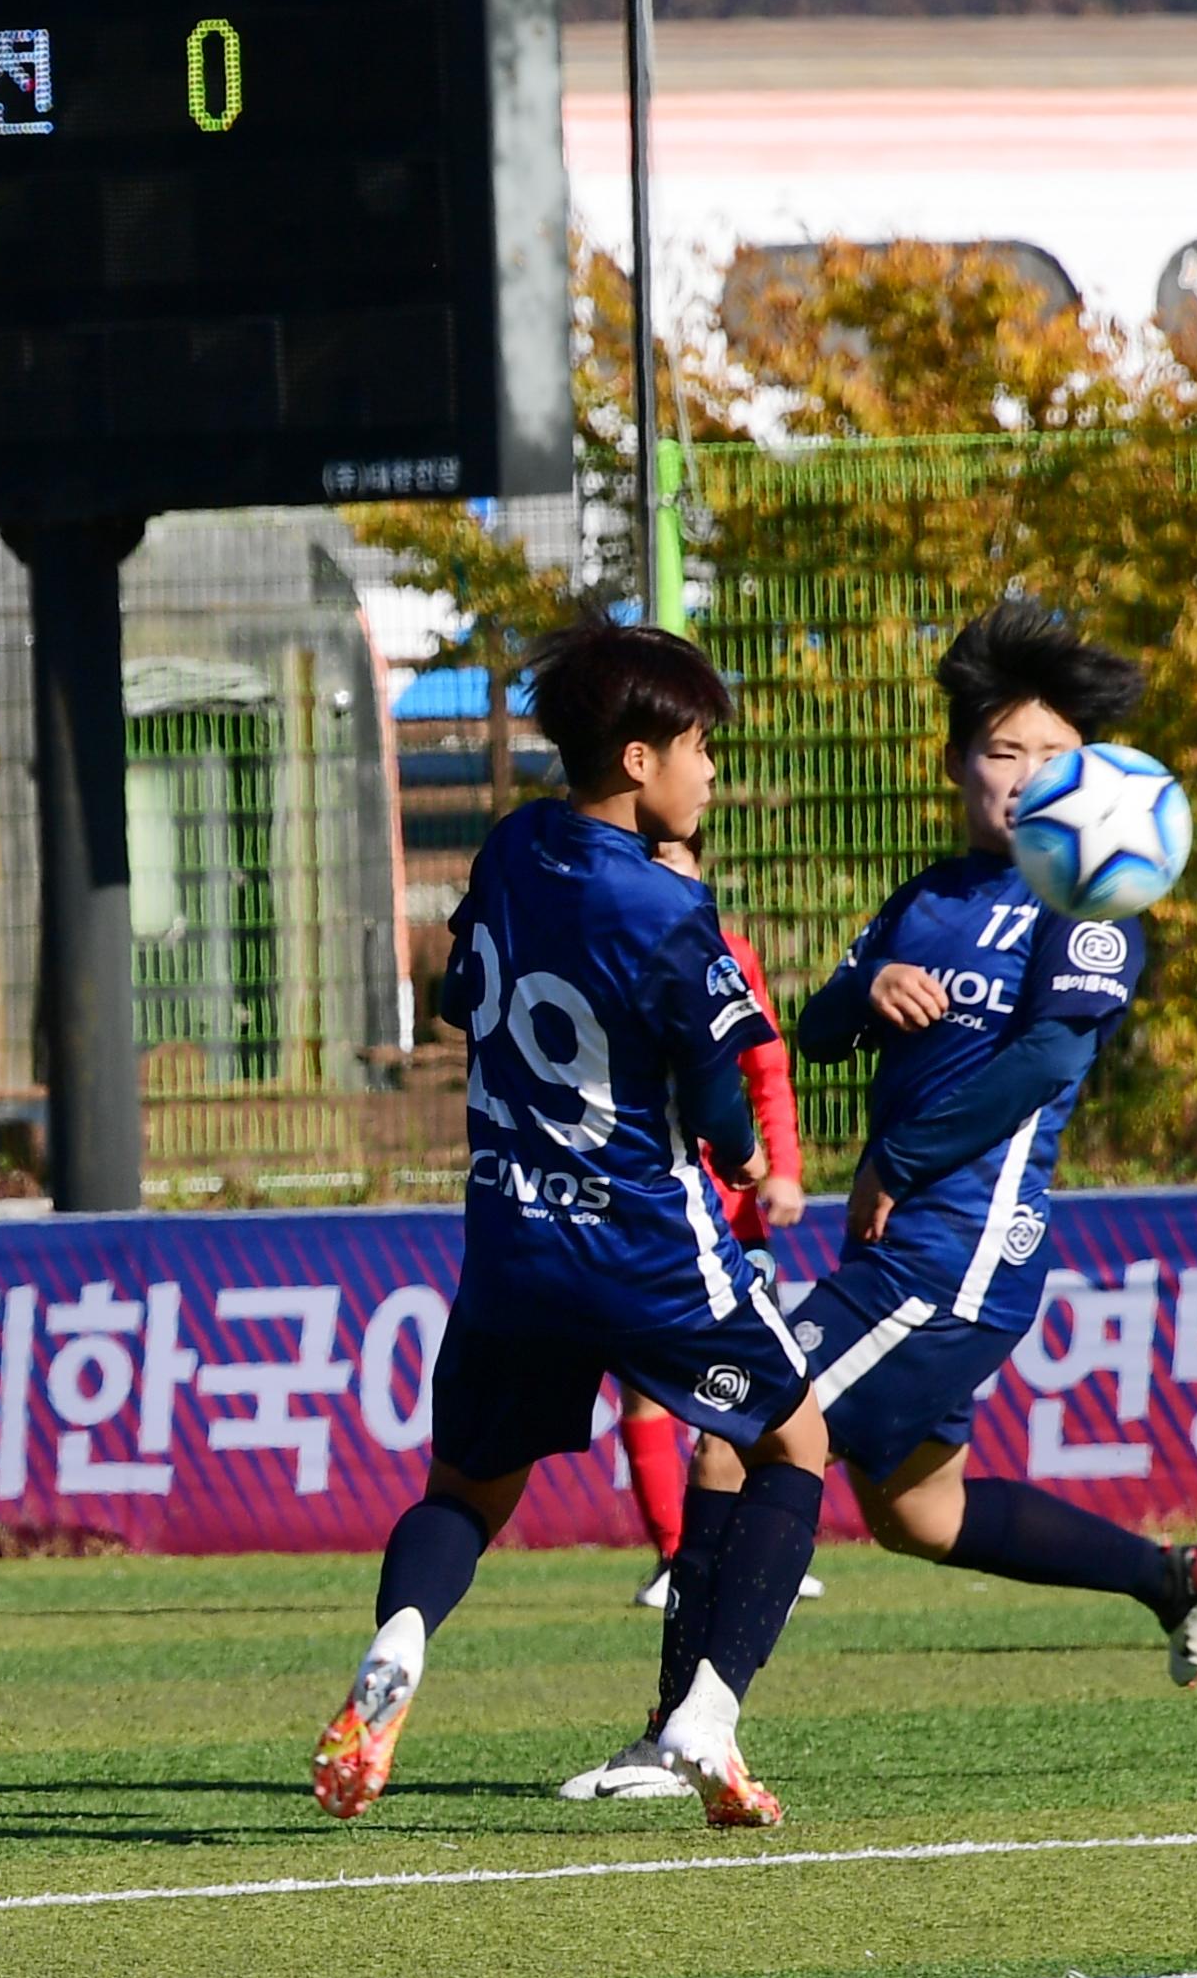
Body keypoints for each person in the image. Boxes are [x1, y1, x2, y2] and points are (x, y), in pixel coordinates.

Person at [563, 601, 1197, 1804]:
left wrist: (899, 1161)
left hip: (958, 1251)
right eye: (1002, 750)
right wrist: (874, 980)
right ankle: (1167, 1576)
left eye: (1052, 754)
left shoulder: (1088, 908)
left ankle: (687, 1729)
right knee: (920, 1511)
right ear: (954, 764)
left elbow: (1042, 1066)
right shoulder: (925, 897)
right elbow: (812, 1029)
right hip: (906, 1250)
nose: (1027, 776)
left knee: (736, 1430)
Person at [311, 619, 833, 1831]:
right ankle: (707, 1709)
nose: (712, 772)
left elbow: (459, 1007)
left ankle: (400, 1640)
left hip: (509, 1236)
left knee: (466, 1492)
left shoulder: (507, 849)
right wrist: (747, 1148)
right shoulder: (666, 908)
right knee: (794, 1440)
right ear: (642, 758)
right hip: (645, 1240)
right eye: (703, 748)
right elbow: (715, 1097)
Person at [621, 824, 810, 1615]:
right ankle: (675, 1556)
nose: (667, 876)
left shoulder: (732, 955)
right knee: (646, 1396)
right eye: (652, 864)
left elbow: (765, 1070)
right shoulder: (613, 956)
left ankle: (743, 1549)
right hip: (648, 1211)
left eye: (677, 863)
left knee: (739, 1394)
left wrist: (785, 1168)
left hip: (731, 1217)